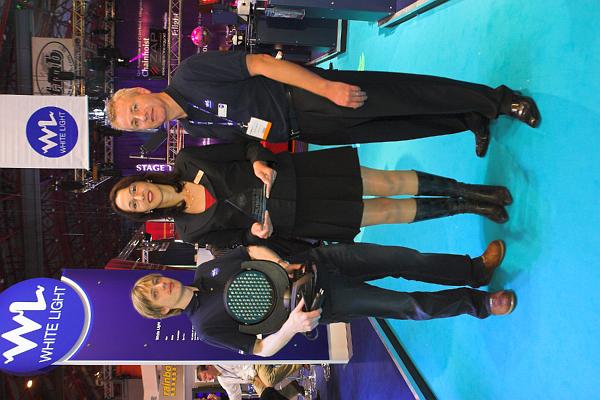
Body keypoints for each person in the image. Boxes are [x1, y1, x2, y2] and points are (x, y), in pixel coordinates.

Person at [105, 51, 540, 157]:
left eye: (135, 108)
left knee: (407, 95)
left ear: (140, 92)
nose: (143, 116)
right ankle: (469, 117)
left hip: (309, 96)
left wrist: (326, 87)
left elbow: (260, 64)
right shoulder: (192, 128)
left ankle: (500, 100)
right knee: (401, 126)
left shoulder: (189, 74)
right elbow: (248, 135)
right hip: (311, 131)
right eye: (135, 123)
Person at [130, 240, 516, 356]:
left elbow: (249, 251)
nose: (161, 286)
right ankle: (480, 304)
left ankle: (474, 270)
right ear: (161, 311)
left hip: (319, 262)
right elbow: (260, 349)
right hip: (323, 302)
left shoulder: (205, 271)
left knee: (404, 258)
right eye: (155, 294)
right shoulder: (204, 326)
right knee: (406, 305)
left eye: (155, 281)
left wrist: (281, 263)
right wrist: (292, 326)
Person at [109, 142, 512, 249]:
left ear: (138, 181)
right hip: (295, 218)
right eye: (135, 205)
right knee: (386, 214)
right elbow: (237, 239)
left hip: (297, 177)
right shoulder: (188, 231)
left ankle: (469, 190)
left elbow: (244, 145)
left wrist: (258, 161)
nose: (141, 197)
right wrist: (256, 233)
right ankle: (466, 208)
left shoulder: (188, 158)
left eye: (133, 191)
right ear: (142, 214)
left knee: (387, 184)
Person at [196, 364, 303, 400]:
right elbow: (234, 394)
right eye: (205, 379)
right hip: (253, 379)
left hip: (254, 365)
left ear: (208, 366)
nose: (208, 379)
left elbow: (244, 363)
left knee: (269, 381)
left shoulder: (222, 362)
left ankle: (299, 363)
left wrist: (256, 377)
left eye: (205, 376)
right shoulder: (222, 380)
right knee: (267, 397)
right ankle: (294, 388)